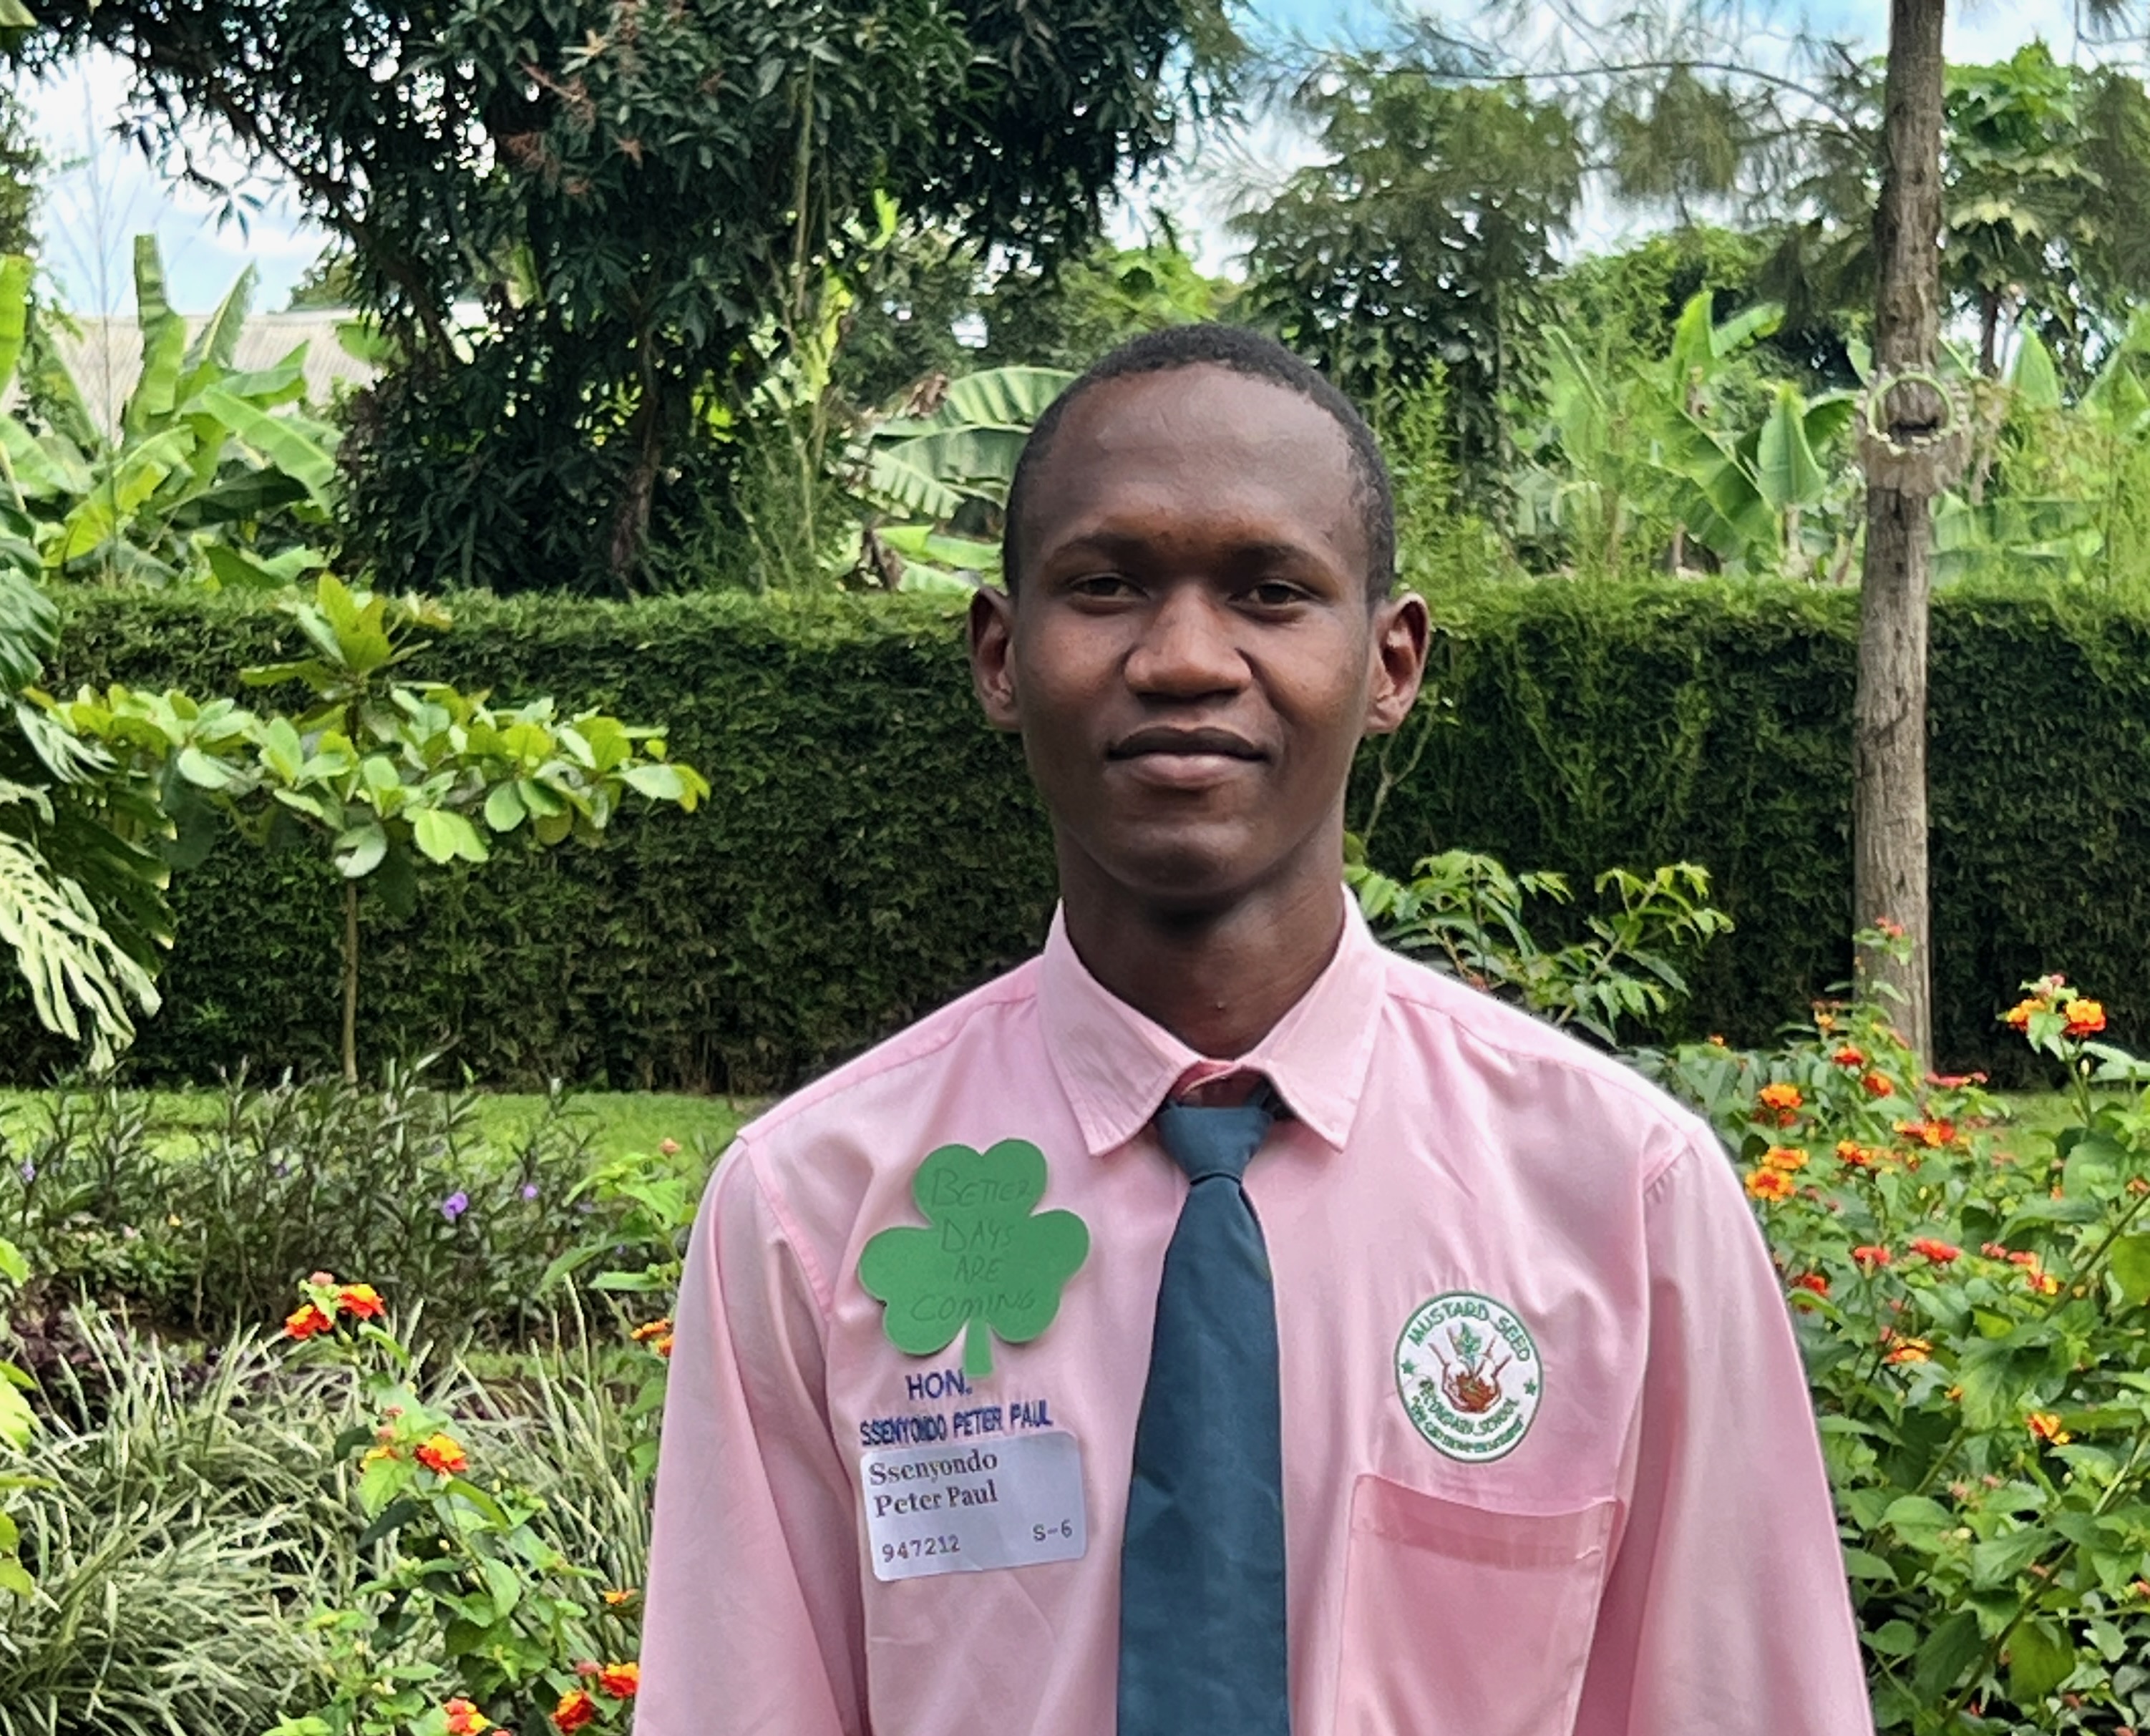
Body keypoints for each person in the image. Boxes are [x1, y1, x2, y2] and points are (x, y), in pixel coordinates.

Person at [639, 324, 1871, 1735]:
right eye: (1103, 586)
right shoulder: (809, 1212)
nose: (1179, 658)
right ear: (997, 652)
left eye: (1270, 591)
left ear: (1390, 660)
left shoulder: (1619, 1205)